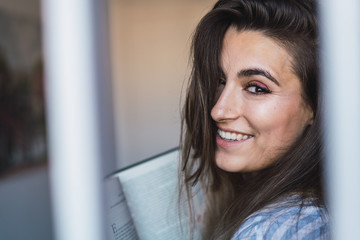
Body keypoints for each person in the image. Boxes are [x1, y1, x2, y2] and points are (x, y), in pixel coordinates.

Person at [180, 0, 329, 239]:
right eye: (219, 80)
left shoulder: (266, 231)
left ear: (315, 108)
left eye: (257, 88)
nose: (218, 110)